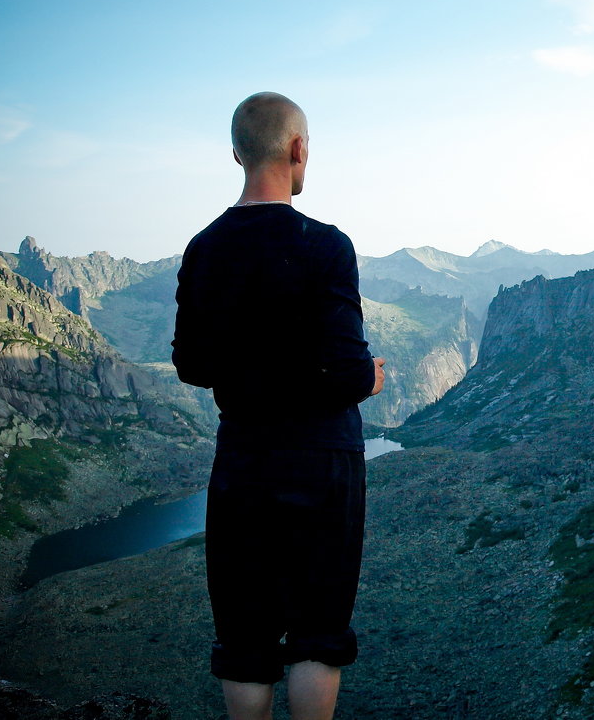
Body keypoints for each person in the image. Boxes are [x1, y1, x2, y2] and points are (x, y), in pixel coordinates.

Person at [172, 91, 385, 720]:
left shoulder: (204, 247)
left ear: (237, 154)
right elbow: (347, 370)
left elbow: (192, 364)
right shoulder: (326, 246)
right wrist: (366, 381)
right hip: (324, 462)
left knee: (245, 633)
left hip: (243, 457)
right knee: (317, 631)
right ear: (297, 149)